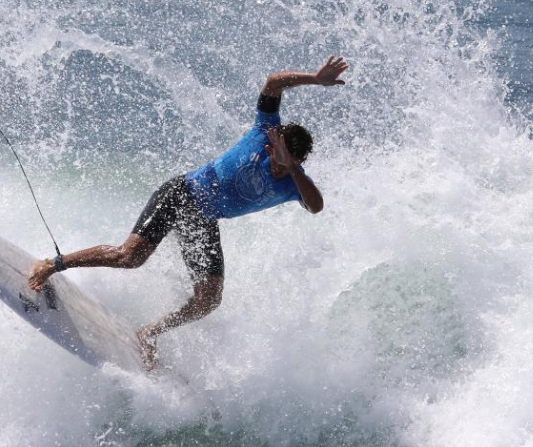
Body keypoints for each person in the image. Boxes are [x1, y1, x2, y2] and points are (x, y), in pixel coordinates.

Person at [28, 56, 349, 369]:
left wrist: (291, 168)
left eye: (283, 160)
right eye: (274, 153)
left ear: (298, 162)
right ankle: (53, 264)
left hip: (204, 219)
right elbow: (274, 81)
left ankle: (148, 334)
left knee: (208, 299)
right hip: (182, 194)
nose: (273, 159)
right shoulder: (263, 132)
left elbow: (316, 207)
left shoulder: (294, 184)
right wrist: (315, 79)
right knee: (130, 256)